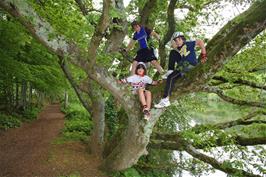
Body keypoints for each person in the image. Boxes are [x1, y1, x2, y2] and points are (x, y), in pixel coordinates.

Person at [155, 32, 207, 108]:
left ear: (181, 39)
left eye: (177, 40)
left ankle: (165, 99)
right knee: (173, 53)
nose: (176, 42)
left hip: (188, 64)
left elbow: (200, 41)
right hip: (183, 66)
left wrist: (203, 54)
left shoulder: (188, 44)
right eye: (175, 41)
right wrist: (160, 38)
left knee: (170, 77)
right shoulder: (179, 48)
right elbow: (172, 46)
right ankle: (170, 71)